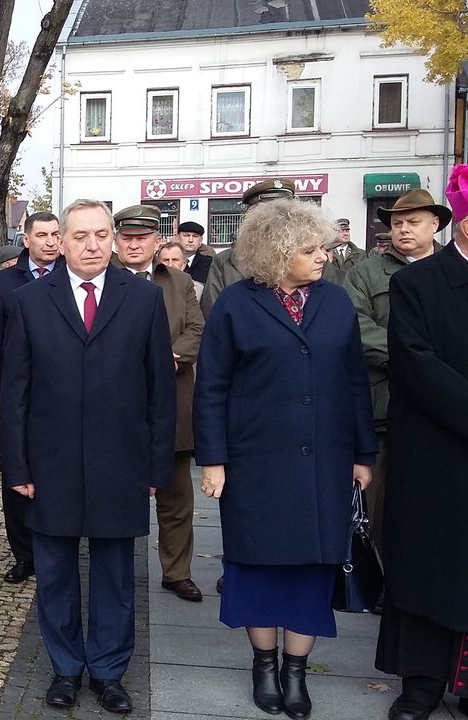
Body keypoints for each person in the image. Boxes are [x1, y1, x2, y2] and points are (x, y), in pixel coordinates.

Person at [194, 198, 377, 719]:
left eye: (321, 247)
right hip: (256, 464)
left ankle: (295, 674)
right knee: (257, 567)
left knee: (311, 570)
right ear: (276, 254)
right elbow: (212, 387)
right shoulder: (235, 305)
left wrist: (364, 452)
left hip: (324, 461)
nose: (322, 256)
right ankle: (263, 664)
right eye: (309, 249)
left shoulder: (336, 302)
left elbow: (354, 382)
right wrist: (213, 460)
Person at [0, 199, 175, 715]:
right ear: (62, 242)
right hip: (50, 462)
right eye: (81, 236)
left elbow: (159, 391)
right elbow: (17, 392)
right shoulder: (31, 300)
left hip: (120, 460)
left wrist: (156, 465)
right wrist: (19, 465)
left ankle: (108, 670)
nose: (93, 244)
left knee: (116, 574)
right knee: (54, 572)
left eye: (102, 234)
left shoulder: (142, 299)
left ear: (114, 239)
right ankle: (65, 668)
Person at [374, 169, 468, 720]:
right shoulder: (417, 283)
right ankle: (424, 680)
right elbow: (416, 363)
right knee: (431, 565)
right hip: (435, 448)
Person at [112, 205, 206, 603]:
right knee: (116, 493)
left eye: (142, 238)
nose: (134, 244)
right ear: (117, 240)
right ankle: (114, 572)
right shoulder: (103, 281)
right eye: (127, 237)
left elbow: (197, 328)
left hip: (173, 400)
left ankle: (176, 571)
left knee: (176, 497)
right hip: (120, 406)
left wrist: (169, 356)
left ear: (156, 240)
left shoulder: (179, 281)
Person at [343, 188, 444, 555]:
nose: (403, 229)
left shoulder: (452, 270)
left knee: (434, 499)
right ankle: (381, 578)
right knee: (379, 500)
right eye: (397, 223)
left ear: (435, 224)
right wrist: (415, 359)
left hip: (442, 408)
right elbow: (355, 325)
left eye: (413, 222)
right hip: (383, 404)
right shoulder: (365, 273)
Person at [0, 211, 64, 585]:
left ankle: (56, 545)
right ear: (25, 240)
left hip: (58, 392)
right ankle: (23, 554)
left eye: (55, 234)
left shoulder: (71, 276)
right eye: (42, 234)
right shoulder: (3, 283)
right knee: (15, 473)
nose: (50, 241)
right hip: (15, 392)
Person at [202, 179, 296, 316]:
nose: (277, 220)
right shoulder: (224, 261)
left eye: (284, 212)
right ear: (252, 218)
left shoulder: (314, 258)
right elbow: (213, 313)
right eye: (270, 212)